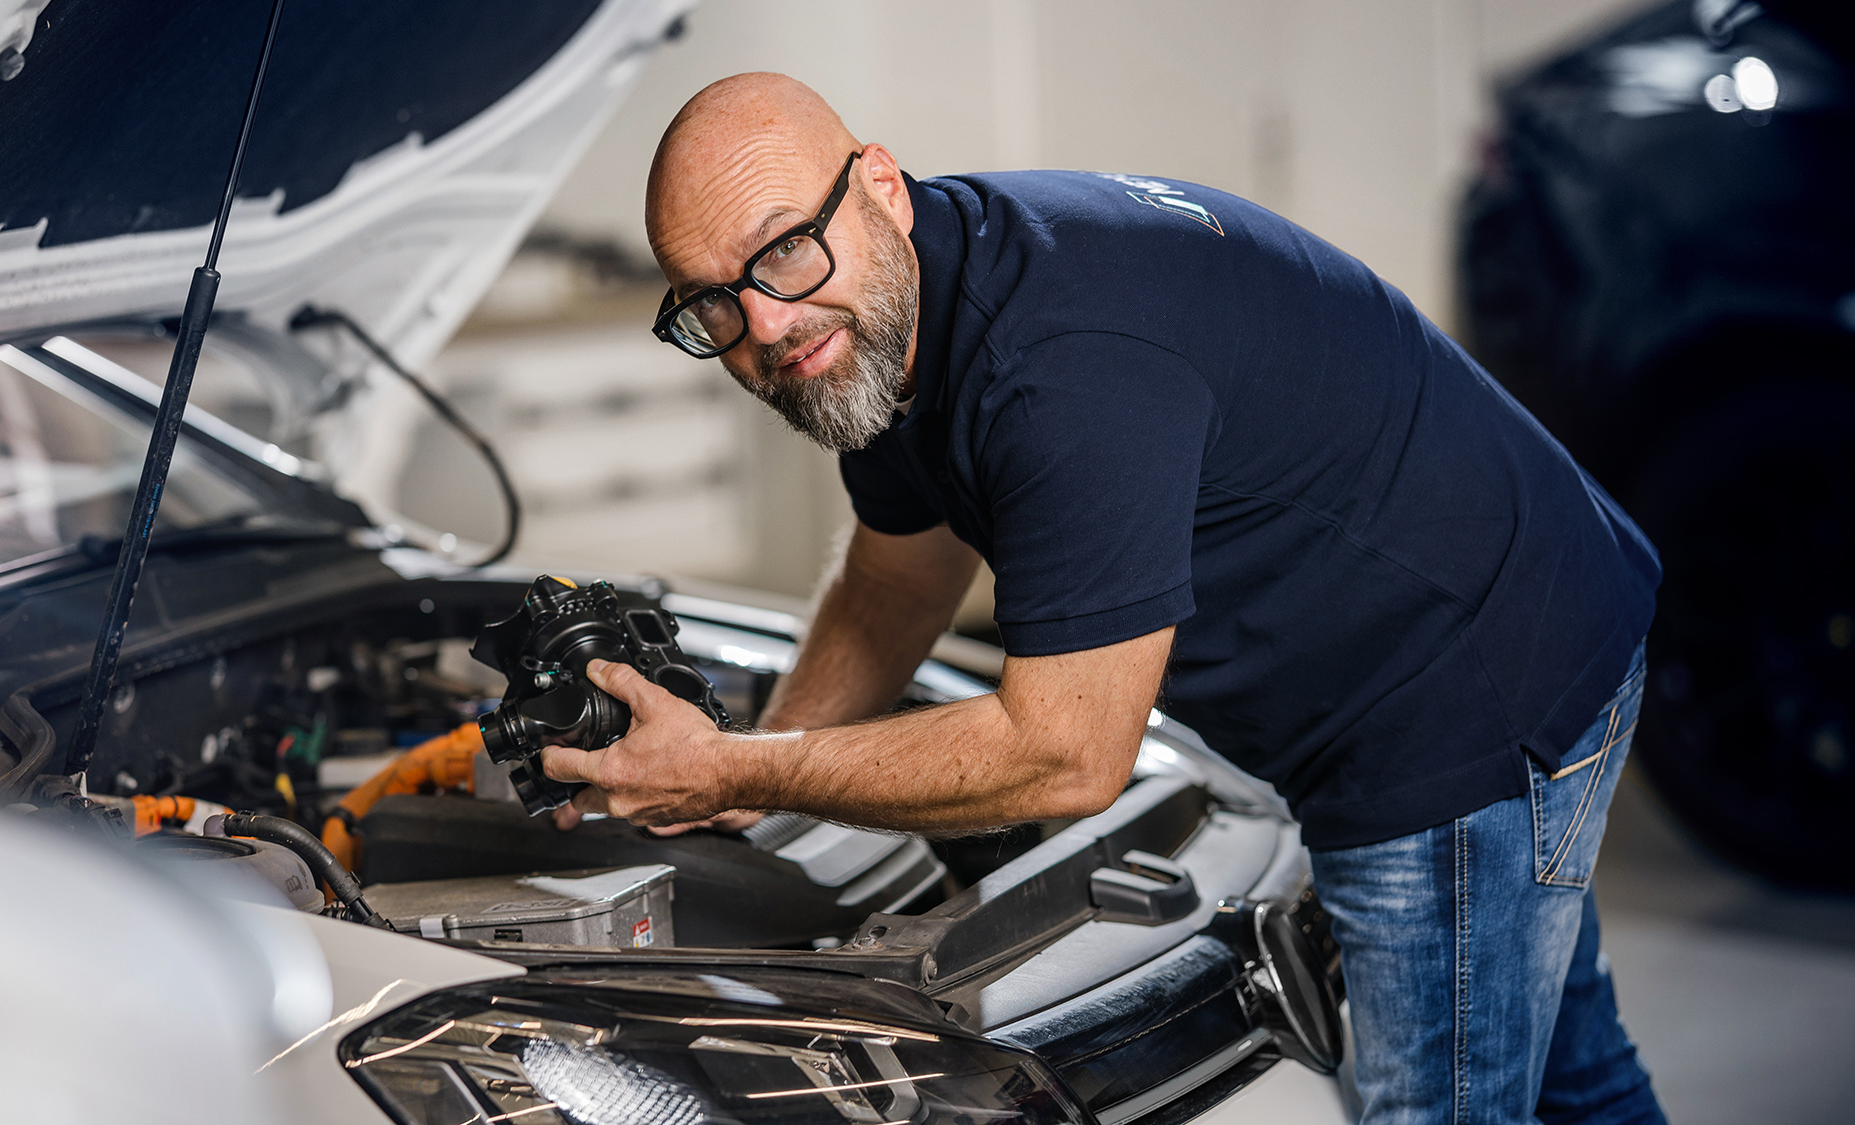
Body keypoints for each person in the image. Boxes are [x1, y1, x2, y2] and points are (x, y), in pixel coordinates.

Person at [539, 72, 1668, 1124]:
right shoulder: (897, 314)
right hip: (1480, 611)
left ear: (878, 184)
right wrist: (760, 763)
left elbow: (1066, 754)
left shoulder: (1057, 365)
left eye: (783, 251)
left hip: (1460, 695)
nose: (766, 327)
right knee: (1578, 1090)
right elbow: (896, 574)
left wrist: (737, 767)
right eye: (710, 306)